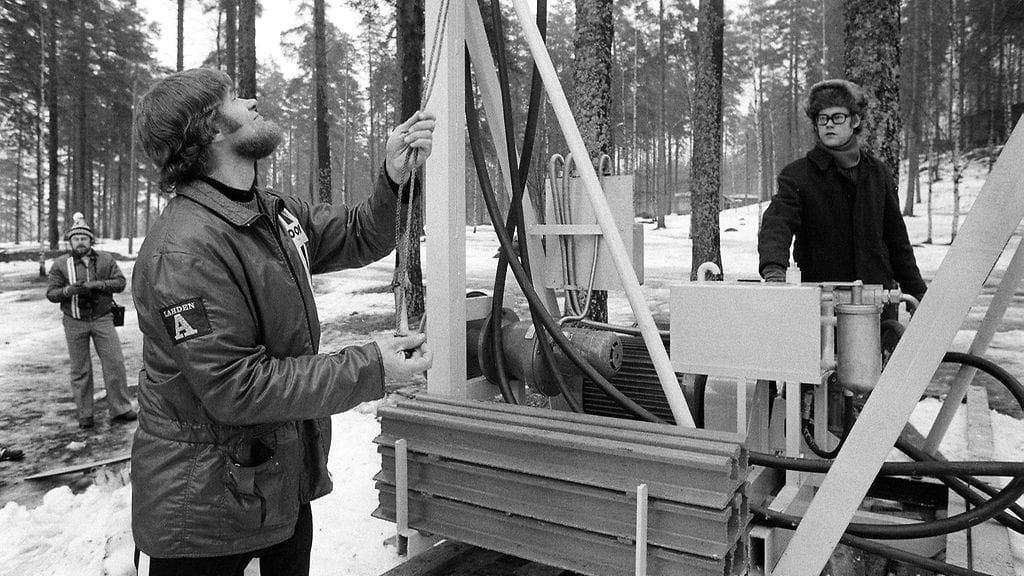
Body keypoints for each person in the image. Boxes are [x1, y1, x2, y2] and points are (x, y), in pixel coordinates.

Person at [130, 67, 435, 576]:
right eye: (233, 97)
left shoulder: (270, 212)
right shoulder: (183, 252)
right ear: (209, 128)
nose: (251, 101)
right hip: (207, 521)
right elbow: (237, 388)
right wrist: (372, 367)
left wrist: (393, 177)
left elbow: (357, 233)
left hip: (273, 491)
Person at [758, 79, 927, 316]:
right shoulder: (797, 176)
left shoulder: (878, 174)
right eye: (822, 118)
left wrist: (917, 294)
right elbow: (777, 224)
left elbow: (897, 240)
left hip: (877, 304)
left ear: (854, 121)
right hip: (823, 304)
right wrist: (774, 270)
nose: (829, 124)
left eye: (837, 117)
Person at [46, 213, 137, 430]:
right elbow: (51, 293)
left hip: (102, 318)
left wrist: (98, 285)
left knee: (114, 363)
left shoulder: (106, 259)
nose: (80, 242)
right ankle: (85, 414)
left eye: (84, 239)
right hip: (74, 320)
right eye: (76, 239)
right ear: (70, 242)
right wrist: (69, 291)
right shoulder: (61, 264)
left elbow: (120, 283)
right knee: (80, 369)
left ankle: (121, 408)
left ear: (91, 240)